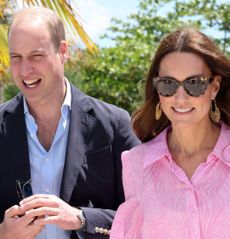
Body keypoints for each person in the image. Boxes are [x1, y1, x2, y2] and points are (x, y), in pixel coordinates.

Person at [0, 6, 139, 239]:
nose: (25, 70)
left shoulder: (114, 124)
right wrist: (3, 232)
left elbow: (144, 213)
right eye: (16, 58)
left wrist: (81, 218)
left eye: (36, 56)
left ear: (63, 51)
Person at [110, 28, 230, 239]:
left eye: (194, 83)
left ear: (215, 87)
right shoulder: (136, 164)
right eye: (168, 84)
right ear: (157, 88)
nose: (180, 97)